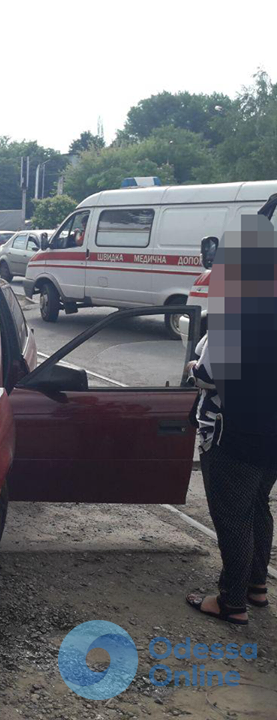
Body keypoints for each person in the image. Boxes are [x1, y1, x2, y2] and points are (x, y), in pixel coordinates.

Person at [186, 213, 277, 626]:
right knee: (259, 506)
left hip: (233, 433)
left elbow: (208, 375)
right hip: (272, 432)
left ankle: (231, 601)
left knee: (233, 517)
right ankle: (257, 587)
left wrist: (192, 367)